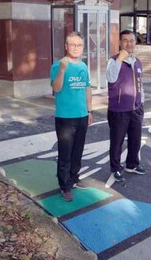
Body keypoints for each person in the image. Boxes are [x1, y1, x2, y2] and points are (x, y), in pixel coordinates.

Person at [50, 31, 93, 202]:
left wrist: (90, 111)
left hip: (82, 115)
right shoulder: (58, 65)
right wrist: (61, 71)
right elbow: (56, 89)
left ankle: (74, 177)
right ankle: (64, 185)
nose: (76, 48)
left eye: (79, 45)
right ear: (66, 46)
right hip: (65, 117)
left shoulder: (83, 66)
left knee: (78, 151)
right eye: (73, 45)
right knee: (65, 153)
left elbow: (87, 89)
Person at [106, 30, 146, 182]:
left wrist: (142, 101)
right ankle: (115, 168)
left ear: (135, 43)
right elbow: (110, 78)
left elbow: (140, 83)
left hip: (136, 108)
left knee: (135, 139)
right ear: (120, 43)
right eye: (125, 40)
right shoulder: (114, 60)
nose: (129, 43)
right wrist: (119, 60)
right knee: (117, 141)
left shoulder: (137, 62)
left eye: (132, 40)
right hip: (118, 110)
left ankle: (132, 164)